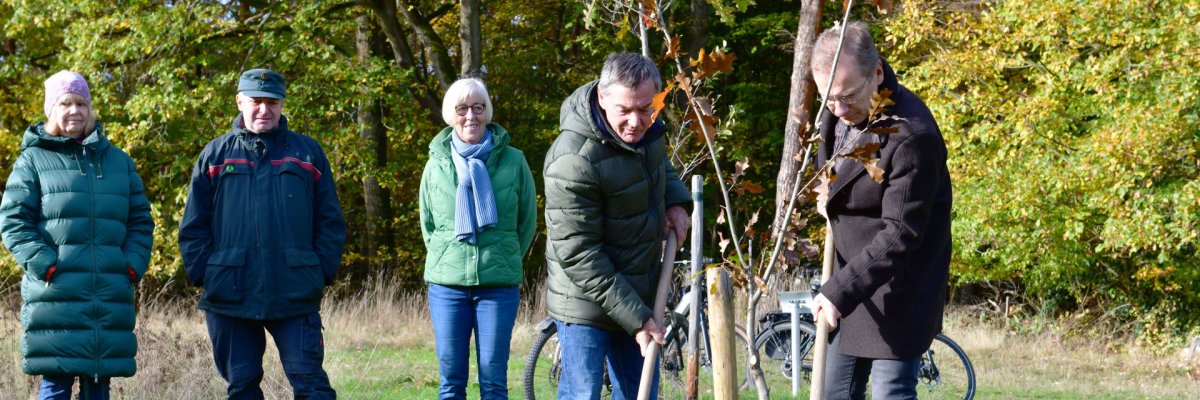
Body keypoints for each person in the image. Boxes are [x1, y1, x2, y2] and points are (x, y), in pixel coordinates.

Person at [179, 68, 346, 399]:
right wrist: (207, 274)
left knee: (311, 384)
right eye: (256, 101)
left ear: (283, 104)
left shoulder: (307, 153)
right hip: (230, 293)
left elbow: (330, 221)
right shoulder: (215, 155)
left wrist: (320, 271)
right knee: (242, 386)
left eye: (272, 102)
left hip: (295, 290)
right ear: (240, 101)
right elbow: (193, 226)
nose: (264, 110)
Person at [807, 21, 953, 400]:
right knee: (831, 394)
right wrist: (828, 194)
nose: (838, 109)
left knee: (891, 393)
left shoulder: (911, 136)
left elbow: (900, 234)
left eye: (847, 96)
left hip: (899, 288)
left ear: (876, 72)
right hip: (850, 278)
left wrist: (838, 291)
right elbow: (840, 170)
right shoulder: (839, 109)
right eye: (828, 99)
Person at [542, 52, 691, 400]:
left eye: (645, 108)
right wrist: (638, 320)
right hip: (584, 304)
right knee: (583, 395)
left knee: (640, 393)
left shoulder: (649, 132)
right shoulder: (573, 160)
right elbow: (579, 254)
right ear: (602, 97)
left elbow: (658, 169)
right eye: (625, 110)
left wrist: (678, 203)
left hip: (638, 290)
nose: (636, 121)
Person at [0, 71, 154, 399]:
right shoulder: (33, 160)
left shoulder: (118, 162)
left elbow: (141, 220)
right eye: (65, 103)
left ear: (90, 109)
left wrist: (130, 265)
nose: (74, 111)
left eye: (81, 103)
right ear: (51, 110)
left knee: (99, 383)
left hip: (107, 294)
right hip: (57, 294)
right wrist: (46, 265)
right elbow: (13, 220)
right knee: (56, 383)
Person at [419, 78, 537, 399]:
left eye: (478, 107)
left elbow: (527, 222)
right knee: (451, 382)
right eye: (462, 108)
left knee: (494, 381)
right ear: (450, 114)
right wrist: (448, 258)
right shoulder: (435, 165)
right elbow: (428, 225)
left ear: (487, 111)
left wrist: (502, 255)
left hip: (498, 286)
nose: (470, 115)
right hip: (447, 288)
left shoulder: (515, 161)